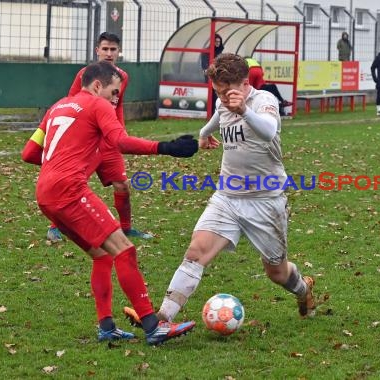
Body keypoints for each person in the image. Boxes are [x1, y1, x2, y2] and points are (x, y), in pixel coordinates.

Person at [123, 53, 315, 327]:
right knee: (196, 252)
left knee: (276, 272)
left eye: (228, 92)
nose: (223, 98)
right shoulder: (224, 103)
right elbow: (217, 117)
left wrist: (244, 112)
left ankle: (303, 290)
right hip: (227, 197)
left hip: (265, 200)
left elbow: (269, 131)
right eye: (218, 92)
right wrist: (204, 133)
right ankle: (161, 320)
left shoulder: (263, 101)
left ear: (245, 83)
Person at [26, 61, 198, 345]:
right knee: (125, 249)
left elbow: (29, 152)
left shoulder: (58, 106)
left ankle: (106, 326)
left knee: (102, 255)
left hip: (45, 194)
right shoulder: (98, 105)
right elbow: (121, 141)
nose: (117, 98)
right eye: (114, 91)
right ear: (97, 85)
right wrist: (166, 148)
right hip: (69, 191)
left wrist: (60, 166)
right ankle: (153, 326)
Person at [25, 32, 153, 243]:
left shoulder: (122, 76)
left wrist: (121, 131)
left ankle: (126, 228)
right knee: (73, 180)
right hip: (87, 139)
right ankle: (55, 226)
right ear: (97, 50)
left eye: (113, 49)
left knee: (122, 185)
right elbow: (72, 103)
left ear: (119, 52)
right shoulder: (85, 74)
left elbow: (117, 105)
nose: (109, 53)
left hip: (108, 139)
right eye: (105, 49)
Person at [201, 34, 225, 111]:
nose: (218, 43)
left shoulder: (220, 52)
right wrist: (207, 70)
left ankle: (215, 111)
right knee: (210, 95)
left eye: (219, 41)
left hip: (218, 77)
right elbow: (205, 66)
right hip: (209, 76)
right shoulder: (206, 52)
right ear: (212, 42)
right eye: (216, 41)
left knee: (216, 95)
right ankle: (209, 111)